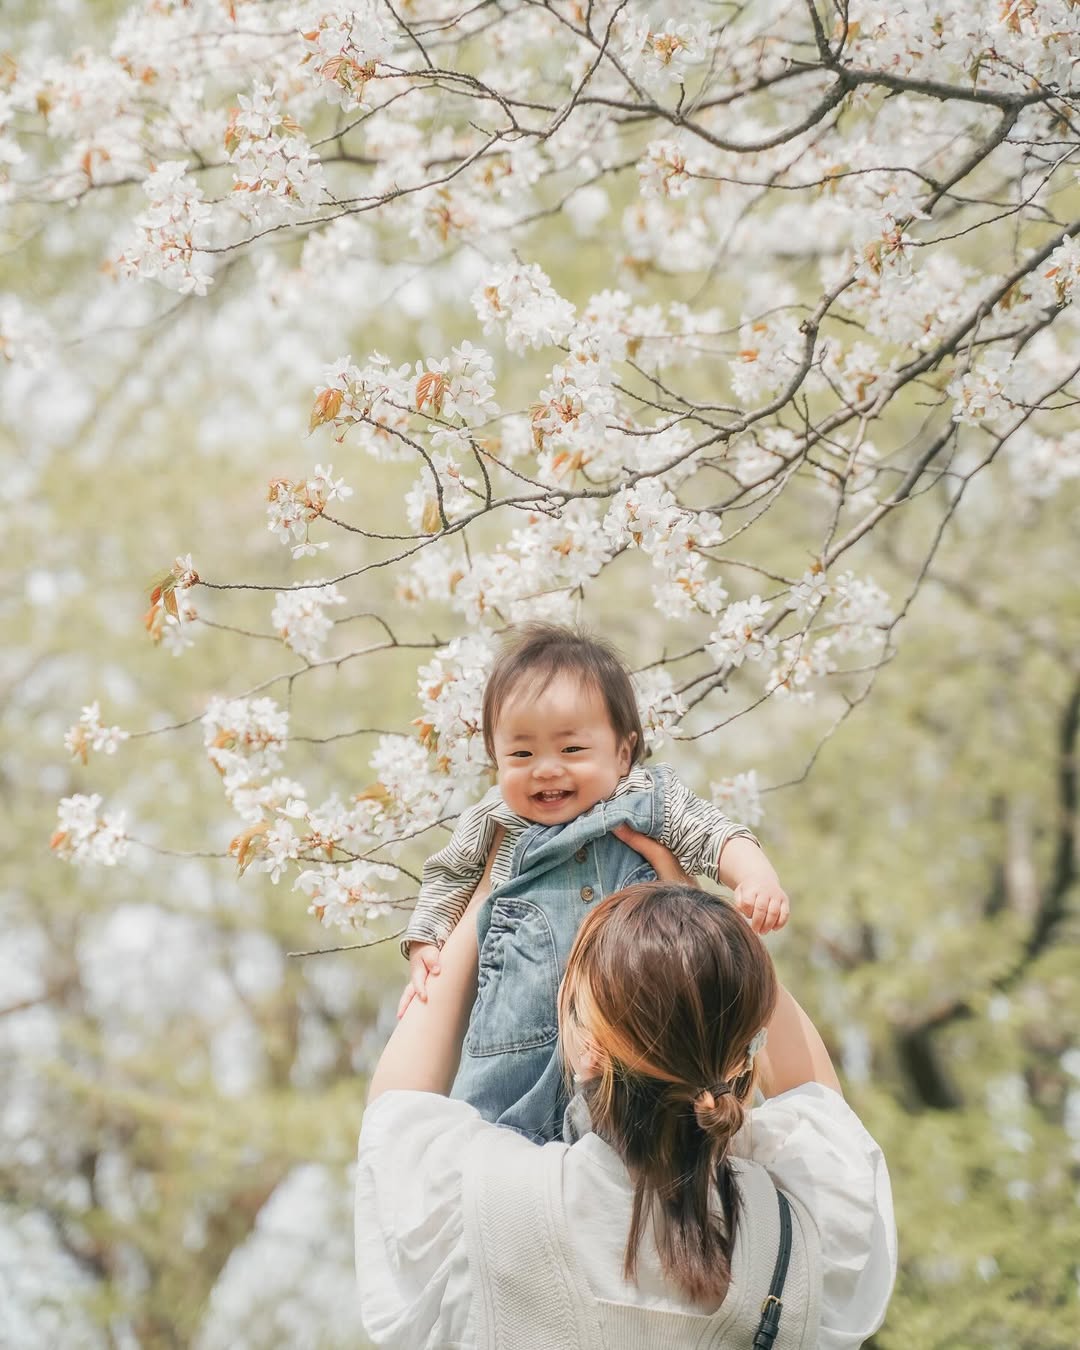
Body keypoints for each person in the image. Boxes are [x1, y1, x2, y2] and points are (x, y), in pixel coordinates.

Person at [355, 831, 896, 1349]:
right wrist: (706, 928)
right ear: (738, 1056)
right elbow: (819, 1104)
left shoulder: (479, 1199)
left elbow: (399, 1108)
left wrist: (493, 880)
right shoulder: (804, 1225)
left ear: (589, 1050)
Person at [398, 622, 790, 1141]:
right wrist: (427, 941)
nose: (545, 769)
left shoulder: (647, 799)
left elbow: (713, 833)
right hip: (513, 1054)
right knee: (500, 1153)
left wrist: (754, 874)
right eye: (520, 755)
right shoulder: (496, 821)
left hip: (633, 1046)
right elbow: (449, 875)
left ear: (623, 753)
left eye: (572, 750)